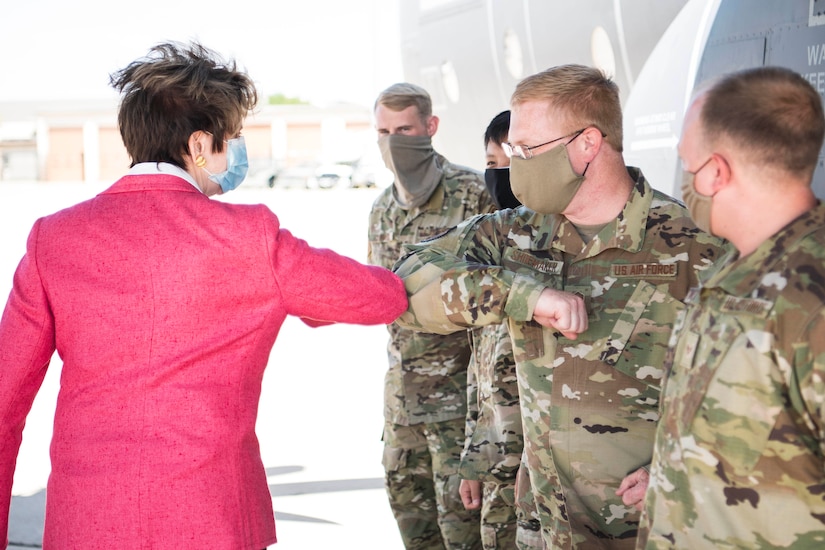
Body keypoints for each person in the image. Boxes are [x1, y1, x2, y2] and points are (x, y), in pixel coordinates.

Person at [0, 41, 409, 549]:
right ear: (198, 146)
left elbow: (4, 400)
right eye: (231, 139)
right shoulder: (250, 237)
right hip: (211, 522)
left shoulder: (52, 239)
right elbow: (379, 299)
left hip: (87, 524)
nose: (236, 153)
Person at [390, 64, 727, 549]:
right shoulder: (513, 234)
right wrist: (522, 295)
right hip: (544, 528)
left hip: (648, 529)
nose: (515, 163)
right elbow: (401, 287)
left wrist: (687, 462)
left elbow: (754, 384)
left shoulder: (690, 245)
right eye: (512, 151)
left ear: (588, 144)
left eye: (528, 150)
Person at [637, 66, 825, 548]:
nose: (684, 180)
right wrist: (671, 473)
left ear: (716, 172)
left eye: (687, 164)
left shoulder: (809, 304)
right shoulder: (735, 267)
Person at [368, 82, 496, 549]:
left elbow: (498, 303)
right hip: (402, 409)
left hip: (458, 412)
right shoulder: (382, 209)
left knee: (464, 536)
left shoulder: (474, 196)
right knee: (415, 533)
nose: (392, 140)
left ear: (430, 127)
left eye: (404, 128)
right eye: (383, 131)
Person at [458, 110, 543, 550]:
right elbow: (482, 374)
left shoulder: (558, 249)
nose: (495, 176)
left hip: (544, 479)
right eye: (489, 165)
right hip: (496, 470)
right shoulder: (491, 246)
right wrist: (474, 458)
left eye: (503, 163)